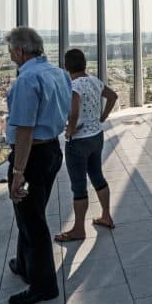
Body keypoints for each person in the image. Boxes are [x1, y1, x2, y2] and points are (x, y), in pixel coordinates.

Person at [4, 27, 70, 304]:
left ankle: (44, 285)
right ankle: (24, 263)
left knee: (32, 221)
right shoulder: (59, 73)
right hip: (52, 150)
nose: (10, 56)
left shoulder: (26, 80)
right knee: (30, 213)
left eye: (10, 51)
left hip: (31, 156)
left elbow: (24, 130)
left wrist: (18, 172)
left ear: (19, 51)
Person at [55, 48, 118, 242]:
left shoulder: (74, 86)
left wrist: (70, 130)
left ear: (66, 66)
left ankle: (78, 230)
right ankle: (106, 215)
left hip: (79, 140)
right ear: (84, 63)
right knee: (97, 175)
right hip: (96, 135)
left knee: (79, 186)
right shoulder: (94, 81)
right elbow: (113, 96)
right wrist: (103, 117)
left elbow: (73, 113)